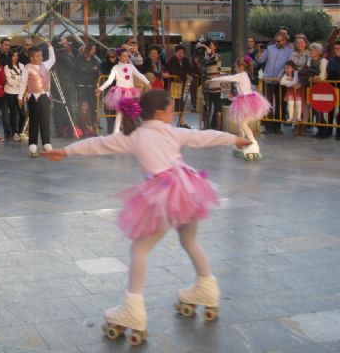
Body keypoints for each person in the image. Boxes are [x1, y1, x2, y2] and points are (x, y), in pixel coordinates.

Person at [42, 90, 250, 344]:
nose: (173, 113)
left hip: (162, 194)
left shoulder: (135, 136)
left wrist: (67, 152)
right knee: (190, 241)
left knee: (139, 249)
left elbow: (99, 144)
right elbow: (203, 137)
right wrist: (234, 139)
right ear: (161, 113)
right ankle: (207, 288)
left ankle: (133, 308)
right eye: (172, 109)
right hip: (187, 188)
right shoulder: (173, 132)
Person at [209, 58, 271, 160]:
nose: (235, 68)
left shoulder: (241, 75)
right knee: (240, 125)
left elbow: (227, 78)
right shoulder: (243, 75)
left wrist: (212, 79)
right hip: (244, 100)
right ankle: (241, 143)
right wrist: (233, 98)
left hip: (249, 102)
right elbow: (242, 92)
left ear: (241, 67)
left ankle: (253, 143)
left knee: (243, 124)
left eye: (236, 67)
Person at [96, 48, 150, 134]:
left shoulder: (131, 66)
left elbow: (139, 75)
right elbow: (109, 81)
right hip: (119, 93)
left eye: (127, 56)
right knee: (120, 113)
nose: (126, 58)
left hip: (130, 92)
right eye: (124, 56)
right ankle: (116, 132)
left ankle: (132, 131)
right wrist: (101, 88)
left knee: (132, 112)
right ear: (119, 57)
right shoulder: (116, 67)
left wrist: (148, 83)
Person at [19, 41, 56, 157]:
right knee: (34, 120)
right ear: (31, 58)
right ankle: (33, 144)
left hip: (45, 95)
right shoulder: (27, 68)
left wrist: (50, 47)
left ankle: (46, 143)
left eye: (41, 55)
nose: (41, 57)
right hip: (33, 97)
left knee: (45, 119)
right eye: (38, 56)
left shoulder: (45, 65)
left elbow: (53, 59)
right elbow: (23, 83)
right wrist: (20, 96)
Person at [256, 28, 293, 134]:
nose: (277, 43)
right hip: (267, 79)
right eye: (276, 41)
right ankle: (268, 126)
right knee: (268, 103)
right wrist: (259, 52)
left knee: (280, 103)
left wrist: (280, 76)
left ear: (285, 40)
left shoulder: (289, 51)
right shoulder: (270, 48)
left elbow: (287, 65)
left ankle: (277, 126)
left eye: (279, 41)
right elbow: (260, 60)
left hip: (280, 80)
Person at [302, 43, 329, 138]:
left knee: (319, 110)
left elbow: (323, 76)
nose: (310, 52)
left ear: (317, 52)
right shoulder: (309, 62)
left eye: (312, 50)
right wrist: (311, 78)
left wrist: (314, 78)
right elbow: (306, 74)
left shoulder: (323, 61)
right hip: (312, 88)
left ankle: (323, 130)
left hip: (321, 89)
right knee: (315, 109)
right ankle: (320, 130)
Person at [166, 45, 194, 128]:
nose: (180, 54)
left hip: (181, 83)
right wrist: (185, 75)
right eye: (179, 52)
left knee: (180, 103)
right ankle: (168, 123)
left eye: (182, 52)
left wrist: (188, 74)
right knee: (172, 103)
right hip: (173, 84)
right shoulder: (172, 60)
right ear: (175, 52)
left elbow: (190, 69)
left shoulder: (185, 60)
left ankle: (182, 122)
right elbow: (174, 71)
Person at [76, 43, 100, 124]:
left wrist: (87, 69)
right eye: (92, 49)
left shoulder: (95, 60)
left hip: (91, 85)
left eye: (95, 49)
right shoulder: (80, 59)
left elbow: (96, 71)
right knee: (82, 104)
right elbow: (80, 70)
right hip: (82, 85)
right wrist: (91, 69)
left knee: (92, 104)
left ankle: (92, 123)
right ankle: (81, 123)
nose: (94, 51)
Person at [4, 50, 25, 141]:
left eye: (16, 55)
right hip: (10, 92)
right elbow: (9, 80)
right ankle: (14, 132)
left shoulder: (21, 65)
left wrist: (17, 80)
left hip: (20, 92)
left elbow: (24, 79)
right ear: (10, 56)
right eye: (13, 55)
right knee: (13, 113)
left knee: (22, 114)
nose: (15, 57)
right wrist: (18, 81)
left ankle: (20, 131)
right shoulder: (6, 67)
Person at [322, 40, 340, 140]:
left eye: (339, 48)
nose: (337, 50)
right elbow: (330, 74)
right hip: (333, 88)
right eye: (336, 48)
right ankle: (328, 130)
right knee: (330, 110)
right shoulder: (332, 60)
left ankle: (339, 132)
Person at [203, 41, 223, 130]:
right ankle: (206, 126)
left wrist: (207, 50)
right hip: (207, 84)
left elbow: (213, 59)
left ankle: (218, 126)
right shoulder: (205, 57)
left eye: (211, 45)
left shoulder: (218, 56)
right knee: (206, 105)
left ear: (215, 47)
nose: (209, 47)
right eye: (209, 45)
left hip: (215, 84)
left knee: (217, 105)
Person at [99, 48, 119, 134]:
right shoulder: (104, 63)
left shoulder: (119, 63)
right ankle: (110, 127)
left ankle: (116, 127)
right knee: (107, 108)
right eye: (110, 56)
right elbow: (104, 73)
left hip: (118, 88)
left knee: (117, 109)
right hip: (108, 88)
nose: (112, 58)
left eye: (114, 56)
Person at [279, 61, 302, 127]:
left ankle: (298, 117)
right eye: (285, 68)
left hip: (298, 91)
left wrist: (288, 83)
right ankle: (290, 117)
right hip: (290, 91)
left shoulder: (296, 73)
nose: (286, 70)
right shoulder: (285, 75)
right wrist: (290, 84)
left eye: (288, 68)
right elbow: (282, 82)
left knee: (298, 104)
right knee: (290, 104)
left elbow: (295, 81)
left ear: (293, 68)